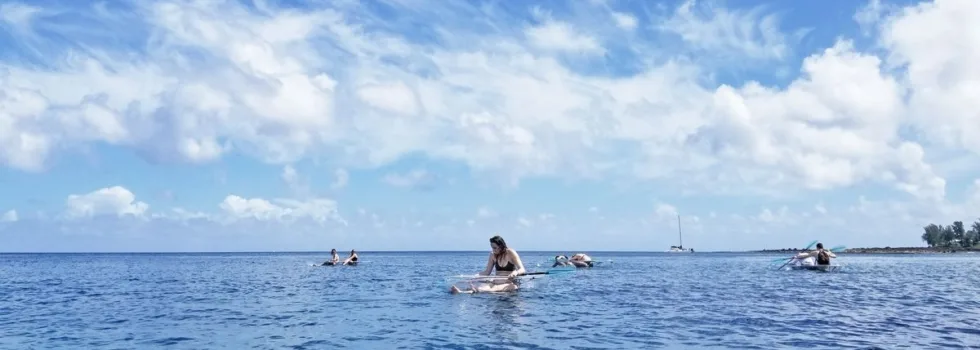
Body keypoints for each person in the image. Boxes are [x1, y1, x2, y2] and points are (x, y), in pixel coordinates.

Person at [450, 235, 527, 294]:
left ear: (501, 246)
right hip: (495, 281)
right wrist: (475, 276)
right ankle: (466, 290)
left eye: (495, 248)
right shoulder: (492, 255)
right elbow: (487, 272)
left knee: (492, 289)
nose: (493, 250)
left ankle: (463, 292)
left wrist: (515, 272)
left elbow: (522, 269)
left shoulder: (510, 252)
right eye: (492, 248)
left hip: (510, 283)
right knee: (478, 285)